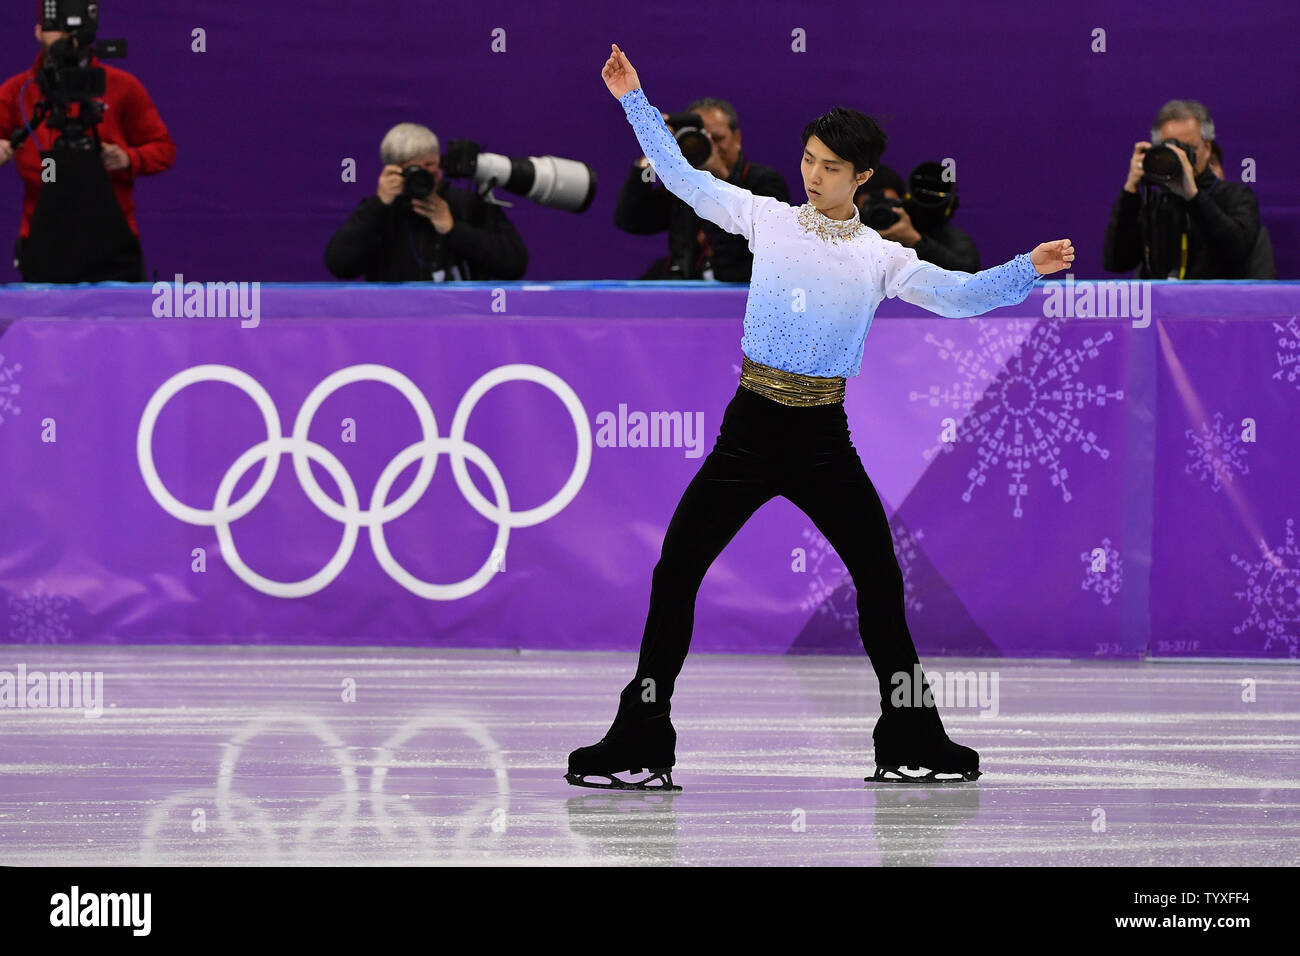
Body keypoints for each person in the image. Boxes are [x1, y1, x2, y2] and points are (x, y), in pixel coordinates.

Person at [568, 43, 1074, 790]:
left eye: (831, 166)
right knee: (676, 572)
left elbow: (963, 295)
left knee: (880, 582)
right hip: (748, 432)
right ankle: (641, 734)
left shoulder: (879, 258)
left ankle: (911, 735)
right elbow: (679, 177)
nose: (812, 174)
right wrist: (634, 99)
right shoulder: (765, 218)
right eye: (808, 158)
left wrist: (1025, 268)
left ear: (861, 177)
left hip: (821, 441)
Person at [0, 13, 175, 281]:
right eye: (54, 27)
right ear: (38, 32)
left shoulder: (122, 86)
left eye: (73, 28)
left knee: (121, 322)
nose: (65, 36)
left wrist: (129, 159)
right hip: (42, 235)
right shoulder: (17, 91)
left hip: (112, 236)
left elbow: (164, 150)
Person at [324, 121, 527, 281]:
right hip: (399, 323)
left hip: (463, 321)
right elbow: (340, 266)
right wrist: (378, 206)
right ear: (392, 170)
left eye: (430, 165)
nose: (424, 175)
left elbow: (514, 265)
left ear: (440, 162)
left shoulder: (467, 204)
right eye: (414, 169)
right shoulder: (379, 212)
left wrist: (453, 230)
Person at [614, 96, 789, 281]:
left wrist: (722, 177)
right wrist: (652, 154)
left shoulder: (765, 182)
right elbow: (630, 218)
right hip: (685, 286)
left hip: (741, 288)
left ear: (737, 138)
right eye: (699, 138)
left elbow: (764, 246)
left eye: (718, 138)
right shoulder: (684, 187)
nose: (709, 145)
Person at [1103, 99, 1259, 279]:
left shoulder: (1235, 196)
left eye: (1189, 148)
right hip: (1159, 305)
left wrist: (1193, 195)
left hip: (1215, 304)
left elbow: (1239, 251)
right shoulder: (1153, 201)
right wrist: (1130, 190)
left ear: (1207, 148)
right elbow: (1116, 262)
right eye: (1172, 149)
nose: (1182, 157)